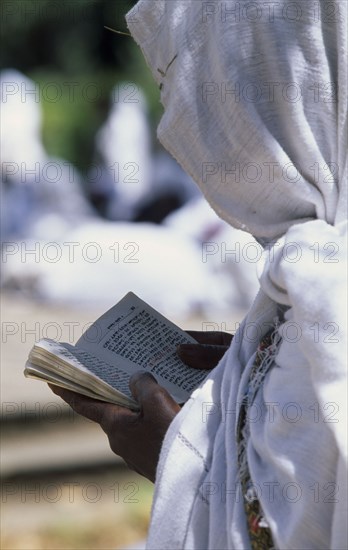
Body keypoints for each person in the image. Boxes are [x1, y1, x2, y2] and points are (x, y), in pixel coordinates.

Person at [50, 0, 347, 548]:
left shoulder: (329, 285)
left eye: (193, 91)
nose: (172, 132)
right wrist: (251, 375)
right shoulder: (308, 277)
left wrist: (179, 456)